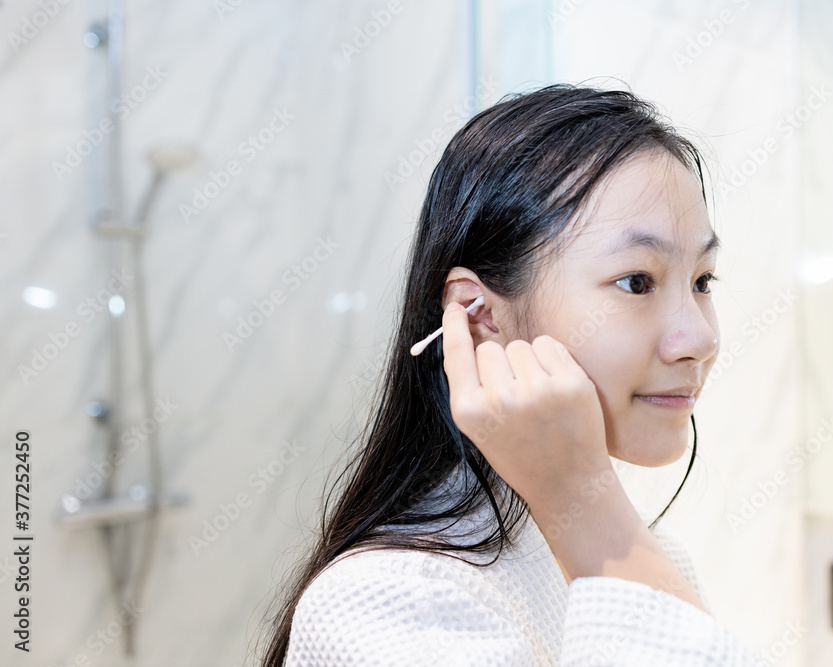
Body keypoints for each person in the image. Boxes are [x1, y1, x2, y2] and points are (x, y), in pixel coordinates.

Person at [258, 83, 761, 666]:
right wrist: (588, 507)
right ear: (478, 318)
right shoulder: (385, 605)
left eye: (703, 281)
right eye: (637, 282)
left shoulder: (636, 553)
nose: (700, 339)